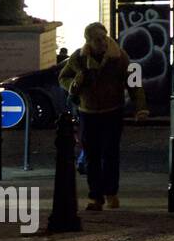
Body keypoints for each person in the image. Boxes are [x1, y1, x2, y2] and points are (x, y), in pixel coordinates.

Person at [58, 22, 148, 211]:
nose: (102, 43)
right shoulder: (79, 58)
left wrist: (140, 108)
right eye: (97, 39)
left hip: (112, 111)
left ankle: (111, 193)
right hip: (88, 112)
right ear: (89, 41)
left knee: (110, 154)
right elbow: (63, 77)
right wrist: (74, 84)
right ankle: (95, 197)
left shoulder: (119, 57)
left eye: (104, 38)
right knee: (92, 156)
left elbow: (134, 82)